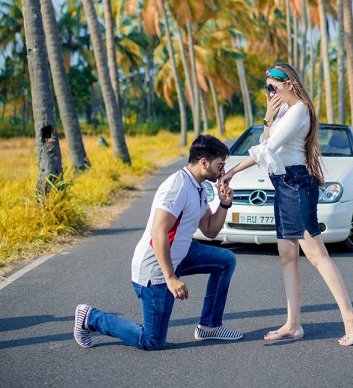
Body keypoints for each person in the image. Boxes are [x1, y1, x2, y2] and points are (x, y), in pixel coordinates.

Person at [220, 62, 353, 346]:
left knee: (316, 255)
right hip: (283, 185)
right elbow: (266, 144)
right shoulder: (285, 111)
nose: (270, 91)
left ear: (289, 83)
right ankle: (293, 324)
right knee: (287, 256)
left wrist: (232, 172)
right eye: (267, 88)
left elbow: (267, 148)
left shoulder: (299, 110)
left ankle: (351, 317)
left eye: (273, 86)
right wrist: (267, 117)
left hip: (297, 186)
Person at [74, 134, 243, 350]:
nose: (222, 171)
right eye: (220, 165)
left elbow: (210, 230)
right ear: (203, 163)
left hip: (179, 255)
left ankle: (209, 326)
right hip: (156, 267)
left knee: (225, 260)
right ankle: (91, 317)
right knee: (152, 341)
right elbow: (158, 232)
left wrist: (224, 204)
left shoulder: (199, 187)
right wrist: (171, 277)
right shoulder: (178, 187)